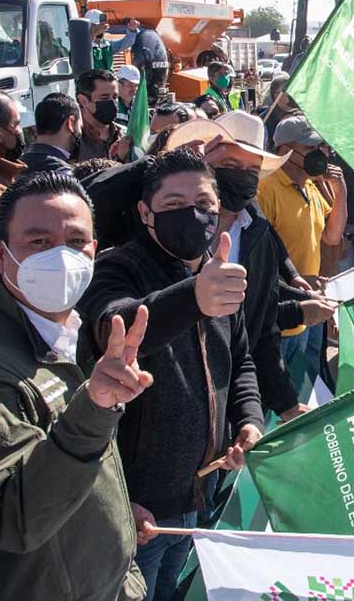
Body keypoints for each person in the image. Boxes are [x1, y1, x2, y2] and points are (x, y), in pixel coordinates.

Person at [0, 172, 151, 601]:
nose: (61, 257)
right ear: (1, 255)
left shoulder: (62, 332)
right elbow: (15, 519)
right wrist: (96, 406)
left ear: (95, 251)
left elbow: (75, 466)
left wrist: (115, 516)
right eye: (39, 242)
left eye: (76, 242)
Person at [78, 149, 263, 599]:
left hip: (198, 497)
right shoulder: (119, 267)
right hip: (135, 509)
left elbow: (240, 363)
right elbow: (113, 324)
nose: (192, 216)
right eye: (174, 206)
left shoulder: (218, 275)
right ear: (145, 212)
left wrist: (249, 422)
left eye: (203, 204)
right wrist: (192, 298)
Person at [201, 110, 331, 419]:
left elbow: (256, 326)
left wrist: (284, 402)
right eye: (231, 165)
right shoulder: (176, 231)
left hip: (230, 398)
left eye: (252, 169)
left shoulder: (253, 229)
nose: (242, 176)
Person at [257, 116, 347, 374]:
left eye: (320, 148)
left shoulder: (311, 186)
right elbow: (261, 257)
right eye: (310, 149)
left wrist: (340, 190)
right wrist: (292, 283)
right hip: (281, 317)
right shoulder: (266, 189)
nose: (319, 154)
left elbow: (332, 236)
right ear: (285, 151)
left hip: (308, 314)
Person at [76, 68, 130, 162]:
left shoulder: (124, 135)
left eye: (115, 97)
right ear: (83, 100)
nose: (112, 103)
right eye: (104, 98)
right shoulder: (73, 139)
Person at [21, 92, 81, 175]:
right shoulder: (64, 174)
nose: (80, 132)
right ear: (70, 123)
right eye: (79, 126)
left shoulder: (18, 166)